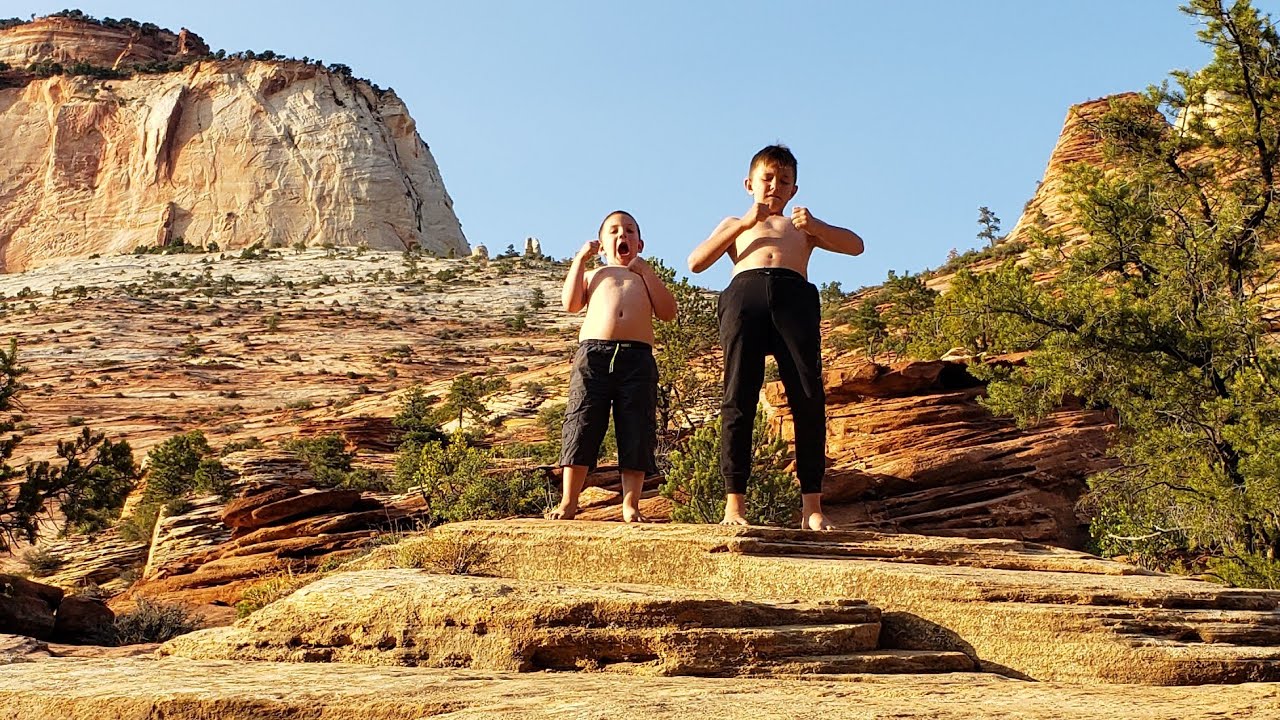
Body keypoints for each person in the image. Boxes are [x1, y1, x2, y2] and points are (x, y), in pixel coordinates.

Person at [687, 144, 864, 531]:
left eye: (784, 181)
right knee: (738, 398)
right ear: (749, 183)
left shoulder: (801, 227)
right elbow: (696, 262)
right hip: (743, 299)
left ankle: (812, 508)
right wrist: (742, 224)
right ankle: (734, 505)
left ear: (794, 189)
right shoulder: (735, 222)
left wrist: (816, 226)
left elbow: (856, 246)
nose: (774, 186)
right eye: (767, 178)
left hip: (793, 299)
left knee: (808, 397)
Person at [547, 210, 678, 522]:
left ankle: (631, 505)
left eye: (630, 231)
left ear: (640, 244)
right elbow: (571, 304)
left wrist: (647, 272)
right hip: (594, 355)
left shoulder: (644, 277)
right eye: (615, 231)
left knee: (637, 427)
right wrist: (580, 259)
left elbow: (668, 312)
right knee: (581, 422)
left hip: (637, 357)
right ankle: (569, 502)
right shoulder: (594, 275)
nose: (623, 235)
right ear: (602, 245)